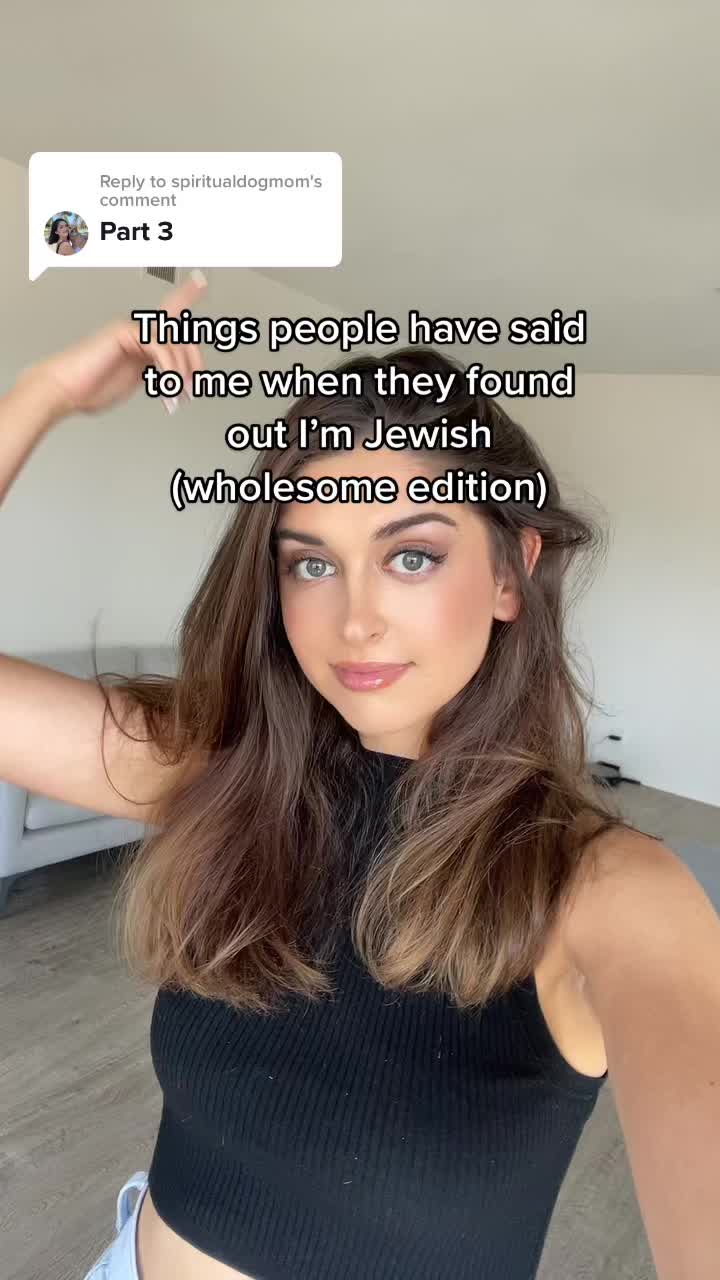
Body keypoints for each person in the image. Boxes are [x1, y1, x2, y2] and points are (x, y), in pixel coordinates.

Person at [1, 276, 719, 1280]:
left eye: (412, 556)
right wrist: (41, 394)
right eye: (311, 562)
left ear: (510, 571)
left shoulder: (608, 889)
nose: (356, 620)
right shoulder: (224, 775)